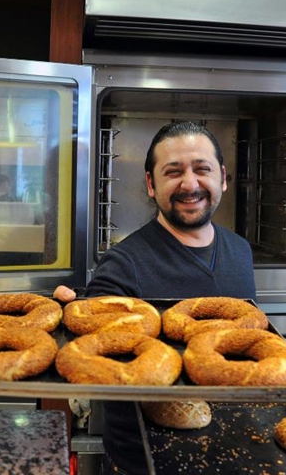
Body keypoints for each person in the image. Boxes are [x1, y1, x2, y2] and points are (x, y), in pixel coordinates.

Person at [54, 120, 256, 475]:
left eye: (202, 169)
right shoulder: (125, 261)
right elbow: (95, 343)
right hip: (146, 459)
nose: (190, 184)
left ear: (222, 177)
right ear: (151, 184)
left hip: (233, 447)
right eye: (173, 172)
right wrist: (72, 312)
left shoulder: (239, 251)